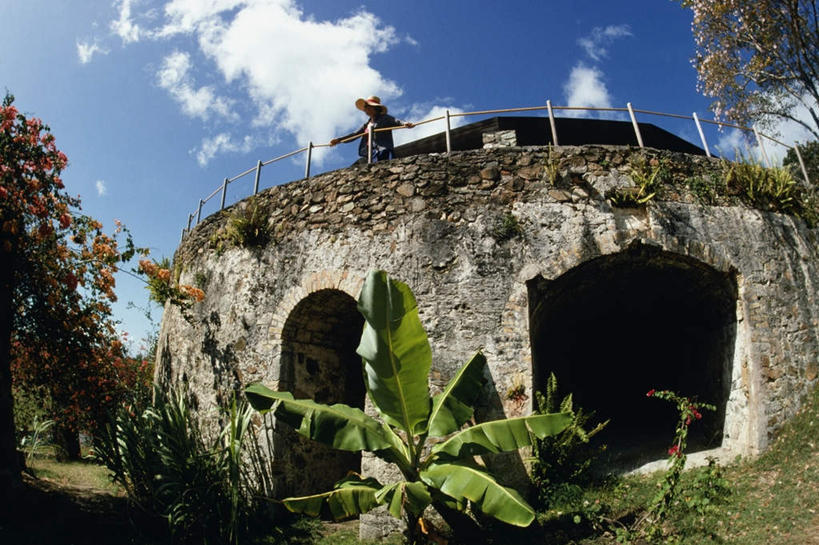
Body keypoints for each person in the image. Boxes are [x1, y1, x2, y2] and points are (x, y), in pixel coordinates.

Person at [330, 96, 414, 163]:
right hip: (372, 153)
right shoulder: (367, 125)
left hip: (384, 149)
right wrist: (339, 140)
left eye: (367, 106)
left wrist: (404, 124)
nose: (365, 109)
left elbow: (396, 121)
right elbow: (354, 135)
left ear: (375, 108)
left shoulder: (385, 118)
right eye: (365, 107)